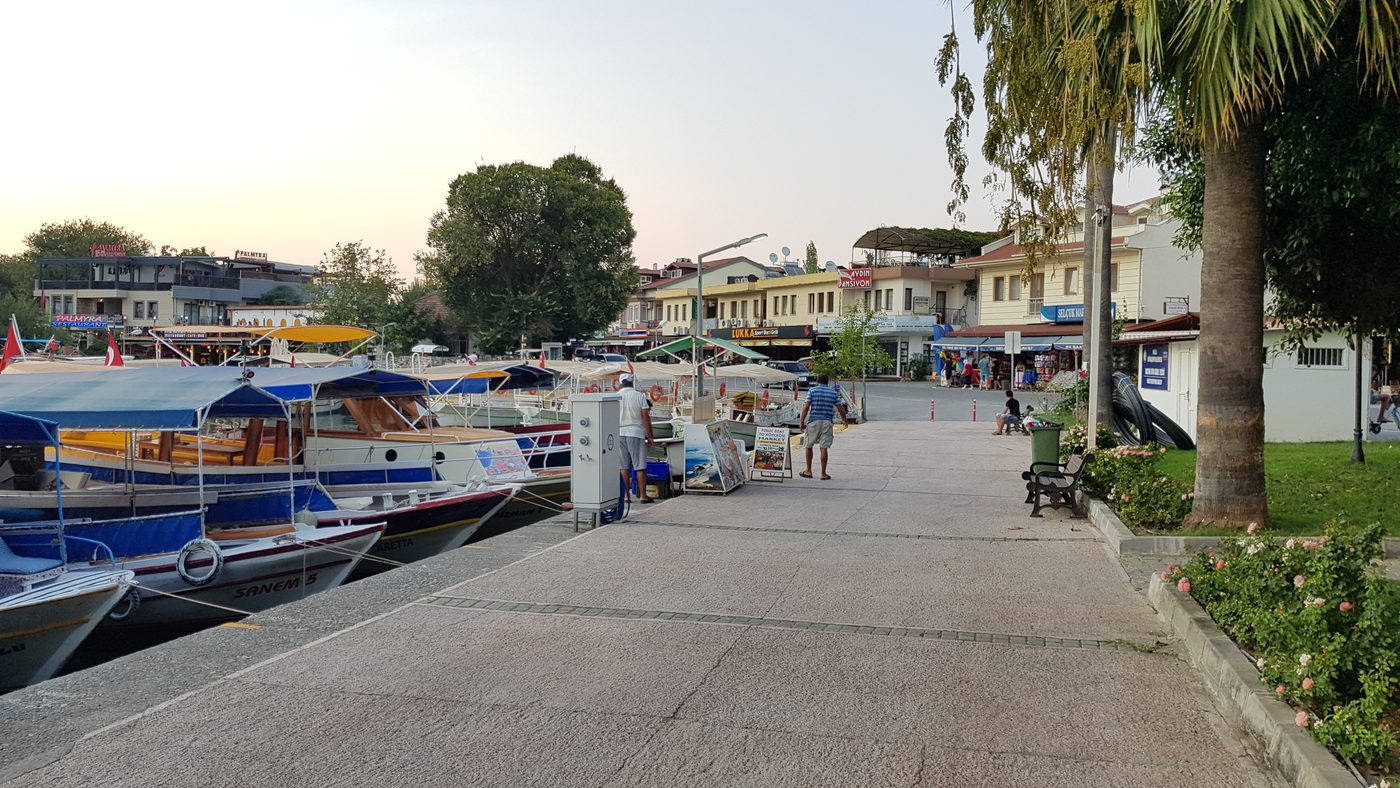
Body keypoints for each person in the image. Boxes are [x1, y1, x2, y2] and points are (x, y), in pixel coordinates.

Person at [799, 373, 851, 480]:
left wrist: (801, 421)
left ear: (817, 381)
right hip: (827, 422)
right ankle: (823, 473)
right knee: (824, 447)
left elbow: (806, 407)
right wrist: (845, 421)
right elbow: (840, 409)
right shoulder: (833, 393)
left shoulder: (812, 391)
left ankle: (808, 470)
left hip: (814, 421)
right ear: (827, 382)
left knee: (809, 446)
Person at [616, 374, 655, 503]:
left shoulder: (616, 396)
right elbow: (645, 417)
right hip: (636, 433)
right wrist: (650, 436)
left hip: (619, 433)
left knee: (623, 467)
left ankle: (626, 496)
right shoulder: (639, 396)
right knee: (640, 466)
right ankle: (643, 496)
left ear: (621, 383)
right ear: (632, 383)